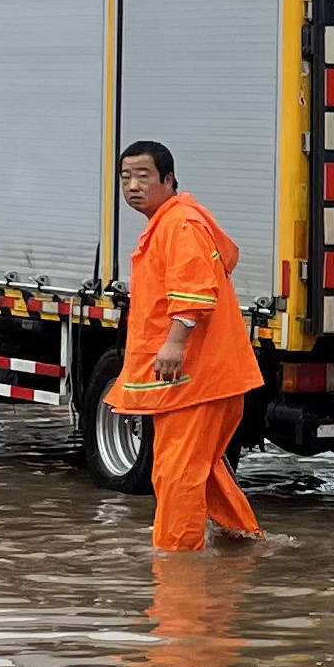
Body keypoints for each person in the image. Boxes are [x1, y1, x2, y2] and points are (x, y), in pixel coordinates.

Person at [110, 138, 264, 554]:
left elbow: (194, 291)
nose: (133, 186)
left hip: (196, 378)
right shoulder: (171, 222)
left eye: (143, 177)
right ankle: (244, 544)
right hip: (204, 379)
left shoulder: (180, 224)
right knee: (198, 468)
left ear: (169, 179)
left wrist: (175, 343)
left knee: (177, 474)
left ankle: (176, 567)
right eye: (125, 178)